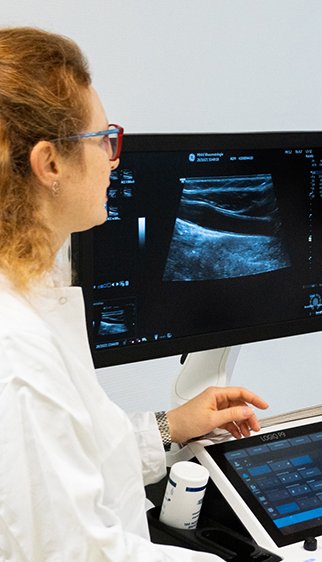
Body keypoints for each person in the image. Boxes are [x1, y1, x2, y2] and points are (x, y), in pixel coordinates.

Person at [0, 27, 269, 560]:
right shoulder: (16, 354)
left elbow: (78, 456)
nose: (114, 158)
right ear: (50, 163)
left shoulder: (36, 289)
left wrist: (171, 427)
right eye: (103, 140)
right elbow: (76, 552)